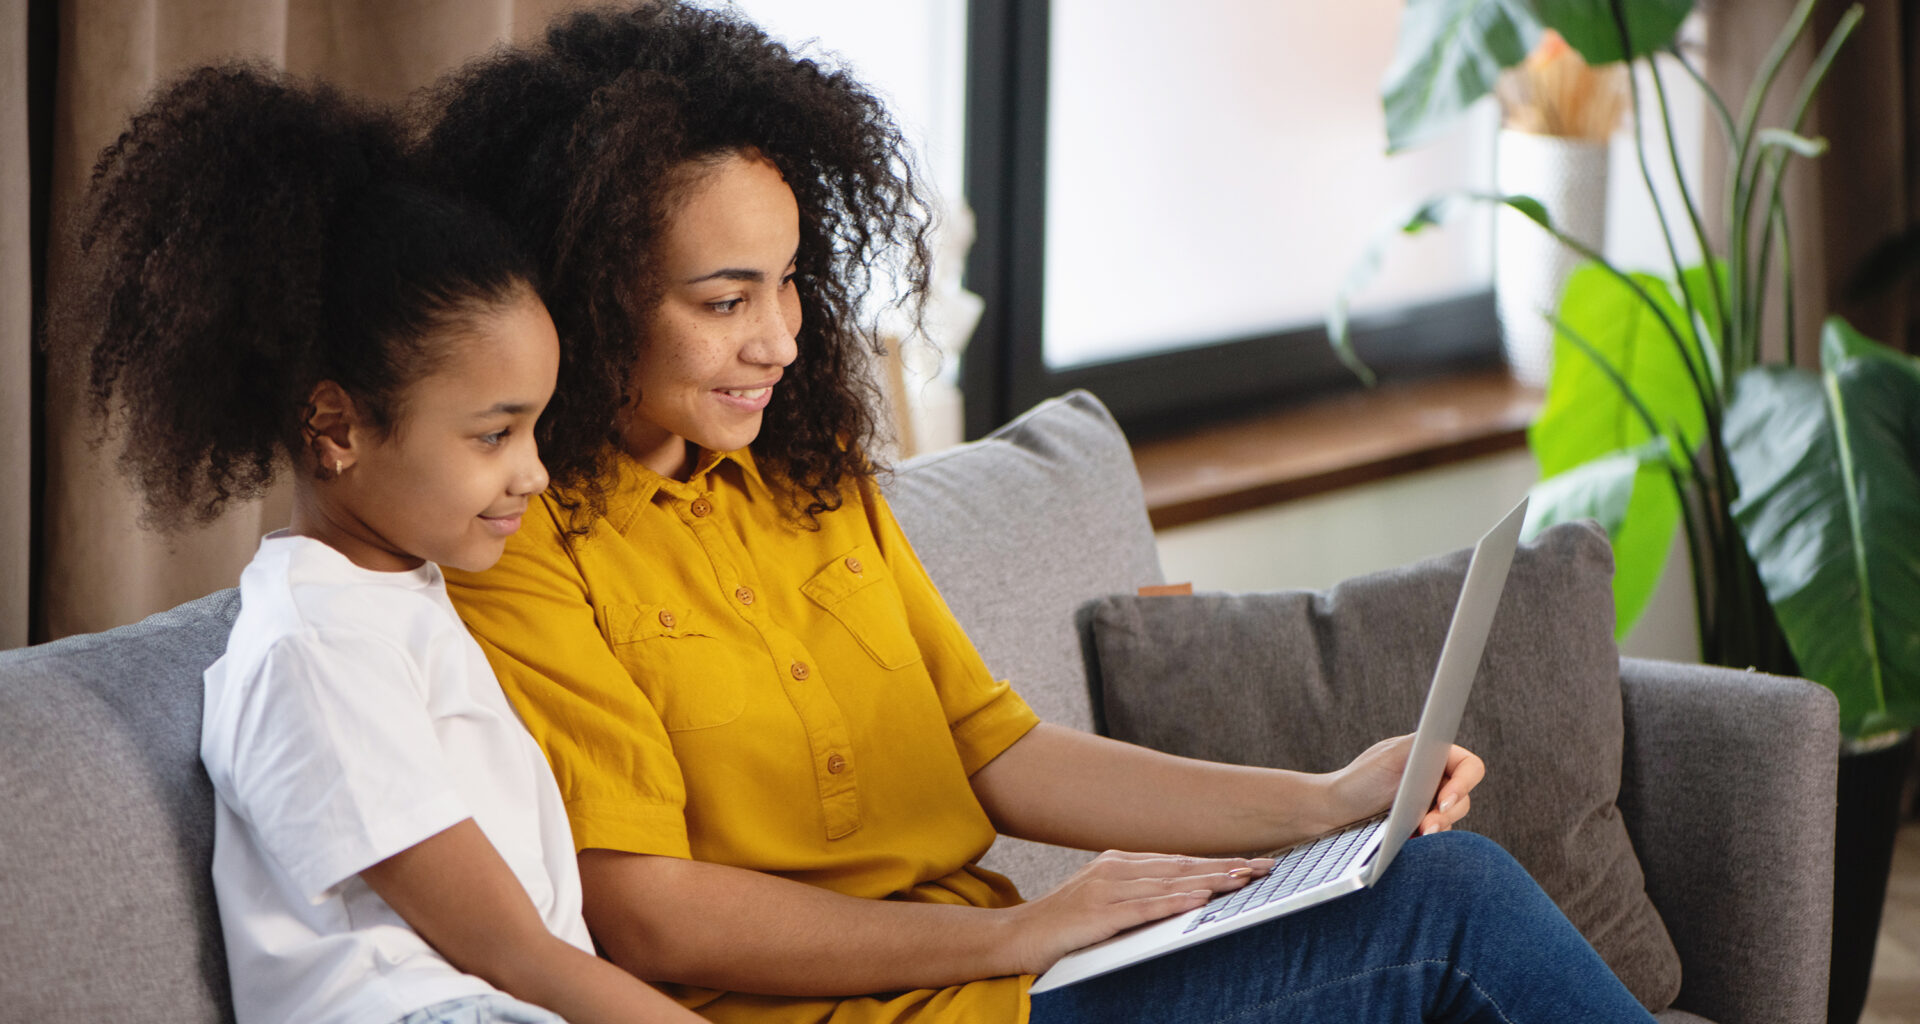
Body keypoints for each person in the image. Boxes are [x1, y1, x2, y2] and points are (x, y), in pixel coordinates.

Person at [424, 5, 1660, 1022]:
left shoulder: (804, 480)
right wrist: (1029, 927)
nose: (782, 339)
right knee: (1460, 907)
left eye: (792, 281)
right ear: (593, 299)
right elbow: (644, 909)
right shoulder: (525, 542)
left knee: (1424, 870)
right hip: (911, 1005)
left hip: (1023, 974)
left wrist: (1330, 798)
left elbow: (997, 752)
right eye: (723, 298)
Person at [62, 63, 701, 1024]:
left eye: (535, 428)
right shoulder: (316, 651)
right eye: (494, 434)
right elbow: (513, 952)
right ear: (337, 428)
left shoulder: (394, 601)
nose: (534, 471)